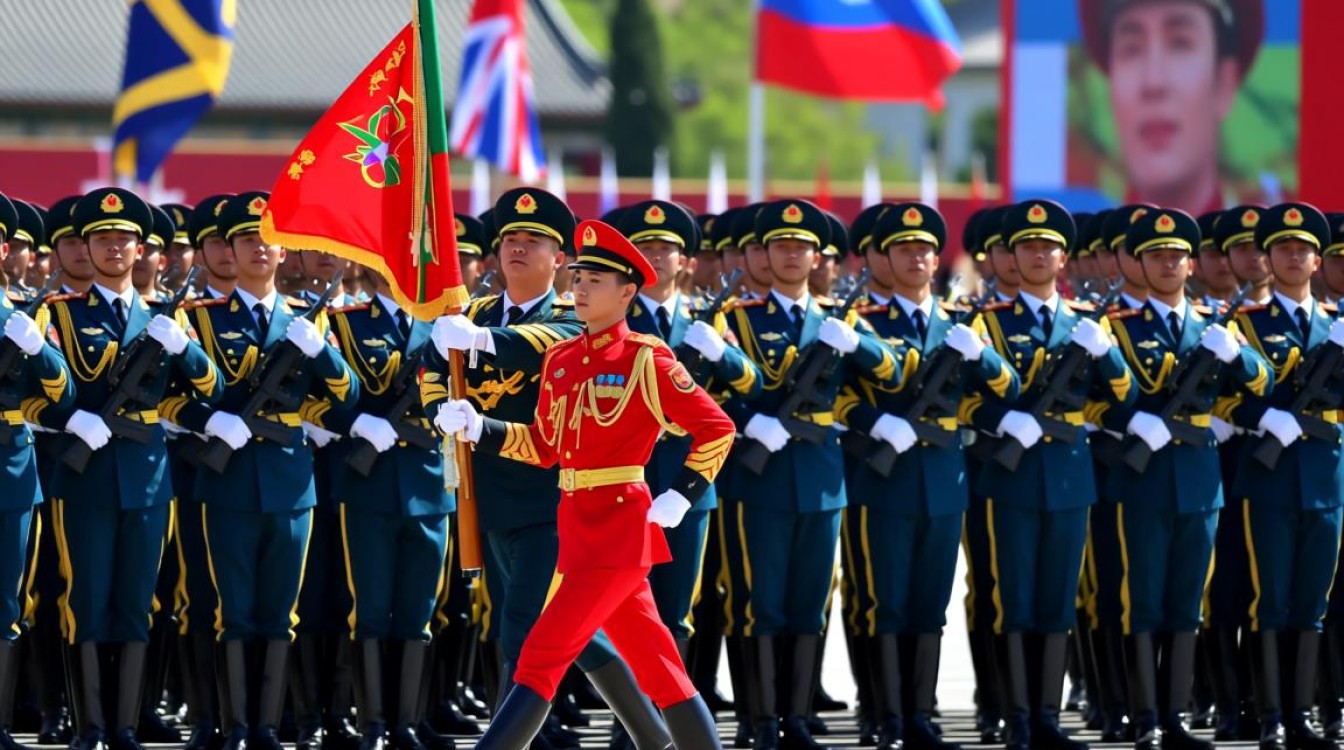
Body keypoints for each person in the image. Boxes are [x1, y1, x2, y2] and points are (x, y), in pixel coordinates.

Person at [432, 218, 737, 750]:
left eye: (594, 281)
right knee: (660, 667)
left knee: (541, 656)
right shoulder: (562, 361)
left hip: (619, 530)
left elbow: (717, 427)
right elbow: (546, 447)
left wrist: (681, 494)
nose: (580, 288)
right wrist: (483, 428)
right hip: (576, 524)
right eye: (578, 278)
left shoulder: (647, 357)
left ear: (627, 293)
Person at [168, 190, 359, 750]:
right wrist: (210, 420)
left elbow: (344, 395)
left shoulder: (305, 321)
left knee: (280, 614)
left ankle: (269, 728)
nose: (257, 248)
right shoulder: (198, 322)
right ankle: (235, 727)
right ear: (228, 249)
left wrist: (322, 352)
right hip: (226, 482)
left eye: (268, 241)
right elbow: (167, 400)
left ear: (285, 255)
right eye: (246, 240)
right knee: (233, 611)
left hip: (290, 483)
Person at [37, 187, 223, 750]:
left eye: (124, 239)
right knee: (87, 600)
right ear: (86, 248)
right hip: (84, 474)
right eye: (102, 239)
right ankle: (91, 726)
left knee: (140, 601)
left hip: (147, 477)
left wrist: (186, 349)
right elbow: (36, 391)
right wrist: (73, 420)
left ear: (141, 249)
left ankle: (125, 725)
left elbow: (208, 387)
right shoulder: (59, 314)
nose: (114, 247)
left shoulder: (165, 318)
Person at [838, 202, 1019, 750]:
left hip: (943, 480)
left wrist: (983, 358)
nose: (915, 258)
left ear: (938, 258)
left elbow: (1006, 388)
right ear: (884, 260)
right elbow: (840, 397)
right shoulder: (860, 323)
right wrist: (875, 422)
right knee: (883, 600)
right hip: (883, 479)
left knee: (929, 603)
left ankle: (920, 713)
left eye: (924, 250)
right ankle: (885, 714)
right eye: (903, 250)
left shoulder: (960, 323)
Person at [722, 198, 899, 750]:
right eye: (782, 246)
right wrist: (751, 424)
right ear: (764, 254)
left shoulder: (840, 319)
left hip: (821, 479)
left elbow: (889, 377)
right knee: (759, 601)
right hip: (760, 477)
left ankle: (794, 718)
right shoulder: (737, 318)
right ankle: (758, 720)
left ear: (817, 255)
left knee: (809, 603)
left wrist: (860, 344)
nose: (793, 255)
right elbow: (711, 394)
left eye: (803, 247)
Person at [1099, 207, 1271, 750]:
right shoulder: (1114, 329)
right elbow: (1091, 405)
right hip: (1143, 481)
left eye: (1177, 256)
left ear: (1192, 263)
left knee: (1186, 602)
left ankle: (1173, 717)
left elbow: (1259, 385)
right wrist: (1132, 419)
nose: (1169, 264)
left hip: (1199, 481)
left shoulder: (1215, 326)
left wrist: (1238, 358)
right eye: (1157, 256)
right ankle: (1143, 715)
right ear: (1140, 264)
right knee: (1142, 601)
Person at [967, 199, 1136, 750]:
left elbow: (1124, 398)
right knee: (1014, 598)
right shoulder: (988, 323)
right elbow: (962, 403)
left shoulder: (1087, 324)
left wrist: (1107, 355)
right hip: (1010, 477)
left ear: (1063, 258)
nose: (1038, 254)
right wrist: (1002, 419)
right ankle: (1016, 717)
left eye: (1048, 247)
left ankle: (1048, 717)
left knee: (1058, 600)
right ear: (1011, 257)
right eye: (1028, 247)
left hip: (1068, 475)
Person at [317, 270, 455, 750]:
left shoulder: (448, 325)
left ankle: (407, 724)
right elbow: (318, 399)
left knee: (419, 611)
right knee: (370, 610)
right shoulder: (344, 323)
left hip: (430, 487)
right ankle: (374, 723)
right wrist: (356, 423)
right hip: (369, 486)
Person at [1224, 202, 1343, 750]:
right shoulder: (1243, 326)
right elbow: (1222, 400)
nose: (1294, 257)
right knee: (1268, 599)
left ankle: (1303, 715)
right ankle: (1270, 714)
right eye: (1283, 249)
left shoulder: (1338, 329)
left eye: (1303, 250)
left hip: (1325, 479)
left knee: (1311, 602)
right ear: (1268, 259)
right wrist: (1261, 416)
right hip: (1268, 478)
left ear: (1318, 262)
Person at [0, 191, 74, 750]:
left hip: (9, 467)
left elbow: (61, 391)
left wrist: (39, 349)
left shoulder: (24, 317)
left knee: (6, 601)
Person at [1079, 0, 1264, 214]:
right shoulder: (1079, 246)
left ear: (1224, 83)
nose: (1153, 81)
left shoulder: (1272, 246)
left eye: (1180, 43)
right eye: (1131, 48)